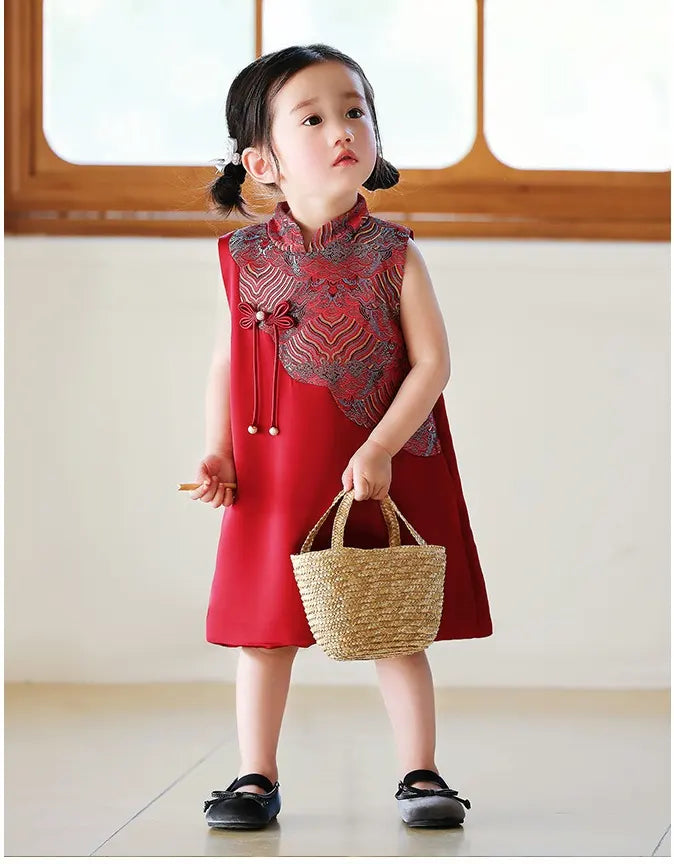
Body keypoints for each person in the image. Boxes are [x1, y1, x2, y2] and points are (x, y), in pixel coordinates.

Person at [192, 44, 493, 831]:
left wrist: (382, 448)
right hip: (276, 465)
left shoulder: (395, 254)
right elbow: (229, 361)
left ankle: (420, 772)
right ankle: (254, 776)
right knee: (263, 633)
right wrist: (217, 448)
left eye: (355, 110)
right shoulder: (242, 257)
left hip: (379, 464)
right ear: (263, 161)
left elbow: (432, 364)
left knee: (390, 622)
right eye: (315, 117)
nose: (343, 128)